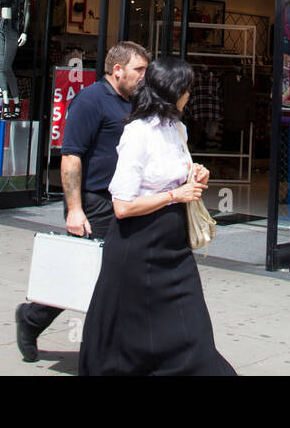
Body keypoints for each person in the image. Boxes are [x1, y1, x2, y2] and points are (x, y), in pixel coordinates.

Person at [78, 56, 235, 376]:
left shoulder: (177, 128)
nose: (190, 95)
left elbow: (173, 174)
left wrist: (194, 175)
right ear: (172, 91)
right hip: (138, 244)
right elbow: (121, 206)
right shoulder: (137, 132)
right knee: (131, 333)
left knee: (191, 327)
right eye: (187, 89)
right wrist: (174, 195)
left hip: (173, 245)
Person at [15, 40, 149, 362]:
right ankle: (35, 320)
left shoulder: (131, 102)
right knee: (91, 275)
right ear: (117, 70)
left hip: (122, 201)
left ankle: (40, 321)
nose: (144, 76)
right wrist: (74, 209)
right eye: (139, 70)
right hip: (93, 201)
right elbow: (71, 157)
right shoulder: (89, 101)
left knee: (110, 275)